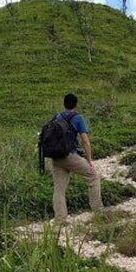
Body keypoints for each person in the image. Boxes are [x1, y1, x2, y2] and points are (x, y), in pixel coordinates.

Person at [50, 93, 103, 221]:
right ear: (75, 104)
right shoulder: (78, 118)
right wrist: (89, 161)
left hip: (56, 157)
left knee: (59, 189)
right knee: (93, 177)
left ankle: (60, 219)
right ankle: (98, 211)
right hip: (70, 156)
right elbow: (85, 141)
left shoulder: (57, 116)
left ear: (64, 104)